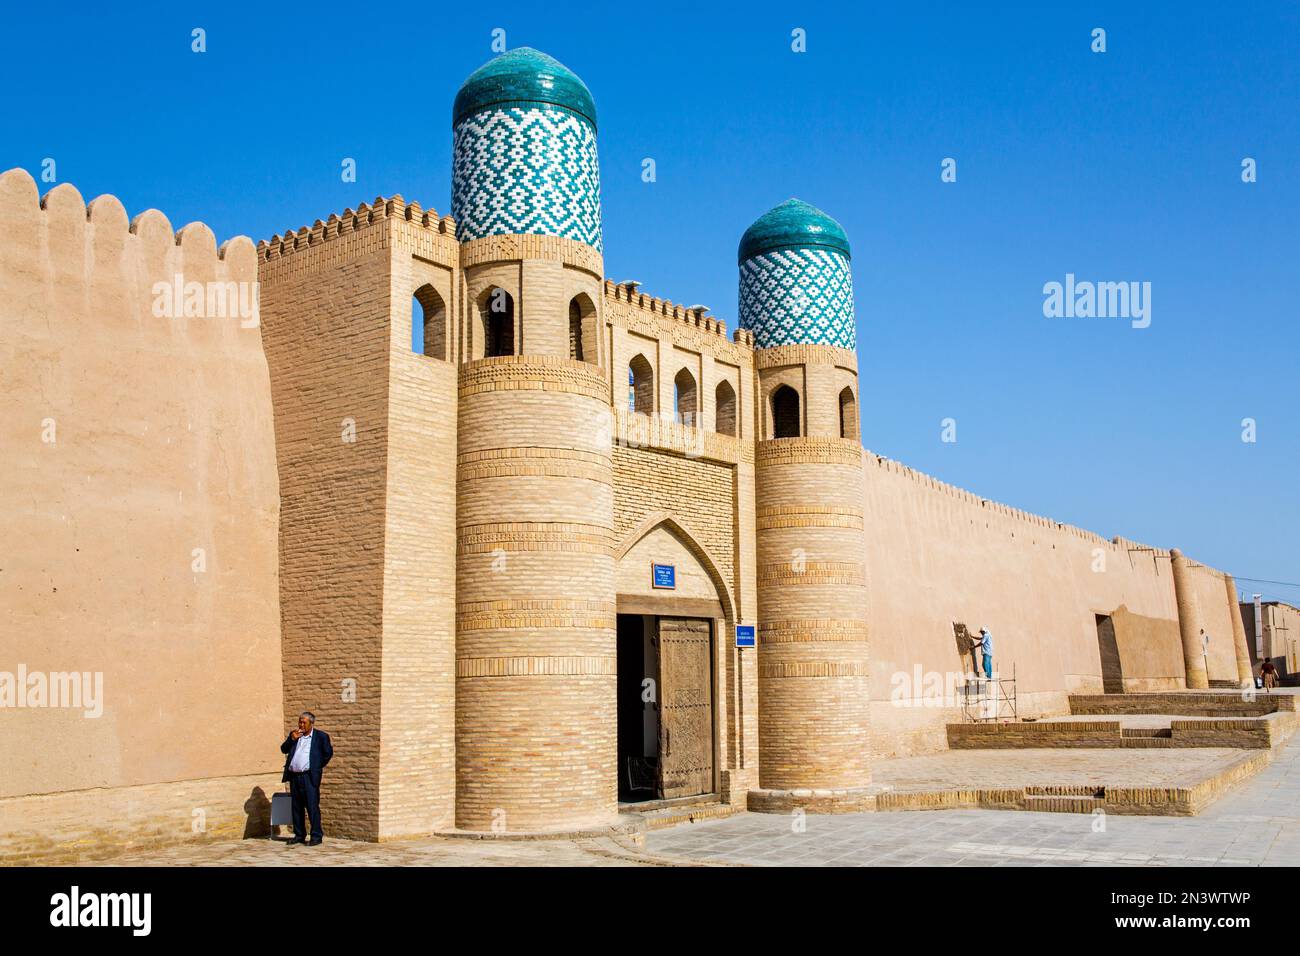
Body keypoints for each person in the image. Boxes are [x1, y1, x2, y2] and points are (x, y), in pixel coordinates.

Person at [280, 711, 333, 846]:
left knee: (312, 806)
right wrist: (292, 739)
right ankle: (299, 835)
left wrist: (315, 767)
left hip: (309, 777)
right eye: (300, 721)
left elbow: (327, 754)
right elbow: (283, 749)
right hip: (295, 777)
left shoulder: (321, 737)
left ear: (311, 723)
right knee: (296, 807)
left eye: (304, 722)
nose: (301, 724)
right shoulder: (295, 735)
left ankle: (316, 836)